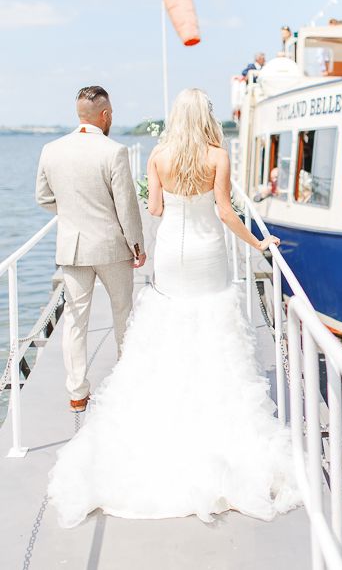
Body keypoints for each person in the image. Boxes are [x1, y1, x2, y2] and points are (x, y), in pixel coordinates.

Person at [47, 88, 300, 528]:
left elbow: (157, 208)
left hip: (170, 254)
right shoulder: (218, 156)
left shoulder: (159, 156)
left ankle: (162, 413)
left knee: (171, 324)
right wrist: (258, 243)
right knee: (213, 325)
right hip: (206, 254)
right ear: (205, 116)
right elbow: (225, 212)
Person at [36, 86, 145, 413]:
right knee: (122, 312)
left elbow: (42, 198)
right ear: (106, 115)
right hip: (112, 247)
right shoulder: (114, 151)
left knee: (74, 321)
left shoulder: (50, 149)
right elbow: (126, 206)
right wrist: (137, 245)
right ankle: (125, 379)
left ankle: (77, 393)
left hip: (73, 248)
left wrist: (71, 214)